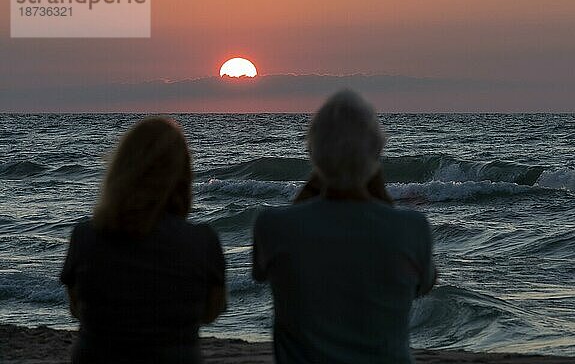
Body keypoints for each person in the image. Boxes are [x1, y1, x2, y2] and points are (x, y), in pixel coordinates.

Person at [253, 90, 436, 364]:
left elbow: (261, 273)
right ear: (377, 152)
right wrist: (382, 196)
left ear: (313, 153)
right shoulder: (412, 228)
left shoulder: (273, 226)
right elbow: (424, 285)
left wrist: (316, 183)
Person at [60, 117, 226, 364]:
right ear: (183, 174)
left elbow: (77, 310)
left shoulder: (85, 236)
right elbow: (211, 313)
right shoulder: (202, 240)